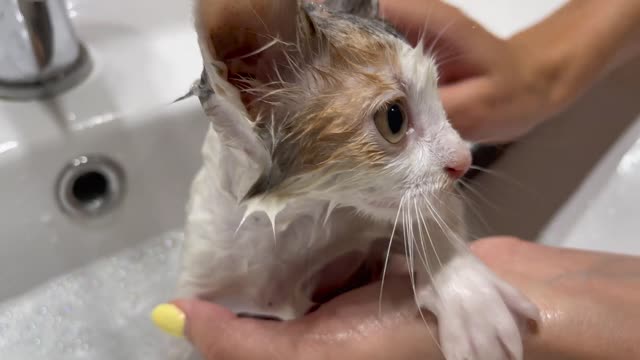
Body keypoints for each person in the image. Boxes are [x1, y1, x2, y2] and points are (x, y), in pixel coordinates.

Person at [150, 0, 640, 358]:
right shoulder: (219, 246)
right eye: (393, 120)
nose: (461, 155)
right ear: (250, 87)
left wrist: (449, 264)